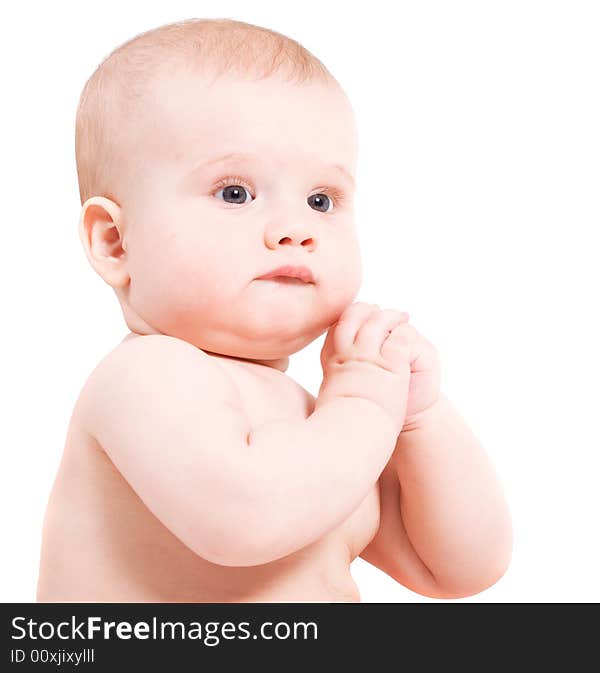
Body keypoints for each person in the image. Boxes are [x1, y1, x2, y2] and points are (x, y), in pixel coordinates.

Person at [37, 17, 512, 602]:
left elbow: (459, 568)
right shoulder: (144, 378)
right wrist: (364, 401)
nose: (295, 229)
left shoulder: (323, 423)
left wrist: (418, 417)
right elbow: (247, 518)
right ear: (115, 242)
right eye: (234, 193)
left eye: (321, 200)